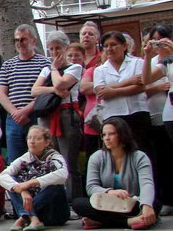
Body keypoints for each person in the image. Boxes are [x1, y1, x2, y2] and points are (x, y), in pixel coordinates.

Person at [72, 118, 160, 229]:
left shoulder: (139, 157)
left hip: (132, 203)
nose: (106, 138)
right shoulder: (96, 157)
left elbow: (147, 183)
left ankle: (101, 222)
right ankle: (130, 221)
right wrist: (110, 192)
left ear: (123, 135)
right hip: (105, 204)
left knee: (155, 204)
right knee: (78, 203)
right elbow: (91, 187)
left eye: (111, 134)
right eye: (104, 135)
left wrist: (146, 205)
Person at [30, 31, 83, 203]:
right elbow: (35, 90)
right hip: (48, 115)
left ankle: (73, 200)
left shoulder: (75, 67)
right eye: (51, 49)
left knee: (68, 160)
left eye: (58, 48)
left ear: (66, 48)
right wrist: (53, 89)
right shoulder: (46, 69)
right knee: (51, 160)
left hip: (67, 115)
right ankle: (56, 199)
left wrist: (54, 71)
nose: (54, 53)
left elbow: (62, 83)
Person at [0, 126, 70, 231]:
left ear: (47, 142)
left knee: (54, 184)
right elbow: (2, 176)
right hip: (36, 212)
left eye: (37, 138)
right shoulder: (26, 157)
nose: (32, 142)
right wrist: (22, 191)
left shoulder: (54, 157)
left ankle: (24, 216)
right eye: (29, 138)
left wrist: (30, 183)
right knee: (13, 183)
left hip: (54, 213)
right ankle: (33, 218)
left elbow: (63, 174)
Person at [93, 31, 151, 154]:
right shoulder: (100, 70)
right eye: (106, 46)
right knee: (118, 152)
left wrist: (112, 90)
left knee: (141, 150)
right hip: (113, 115)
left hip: (137, 112)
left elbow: (140, 87)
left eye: (113, 45)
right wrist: (129, 81)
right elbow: (102, 92)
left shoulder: (138, 62)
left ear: (124, 46)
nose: (109, 49)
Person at [0, 25, 48, 163]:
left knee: (39, 158)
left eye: (23, 39)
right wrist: (15, 113)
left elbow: (45, 93)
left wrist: (26, 111)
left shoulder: (44, 63)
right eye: (17, 40)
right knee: (15, 161)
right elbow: (1, 94)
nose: (19, 43)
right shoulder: (8, 65)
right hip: (13, 119)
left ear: (33, 40)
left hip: (35, 116)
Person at [140, 25, 173, 215]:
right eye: (156, 40)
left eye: (163, 39)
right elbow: (146, 79)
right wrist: (146, 56)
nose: (160, 44)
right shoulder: (164, 62)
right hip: (168, 114)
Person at [79, 22, 104, 158]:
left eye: (90, 34)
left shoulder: (102, 58)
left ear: (97, 38)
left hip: (96, 108)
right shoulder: (73, 57)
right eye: (84, 33)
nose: (86, 36)